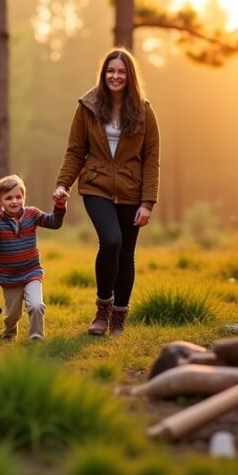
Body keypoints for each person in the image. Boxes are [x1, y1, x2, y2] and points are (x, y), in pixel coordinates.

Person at [53, 48, 160, 337]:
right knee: (111, 241)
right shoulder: (87, 107)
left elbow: (151, 158)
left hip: (131, 189)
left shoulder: (144, 110)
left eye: (121, 72)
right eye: (110, 71)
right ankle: (102, 310)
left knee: (126, 253)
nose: (115, 76)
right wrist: (63, 184)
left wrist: (147, 202)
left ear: (130, 77)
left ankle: (119, 318)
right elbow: (75, 151)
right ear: (103, 74)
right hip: (96, 185)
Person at [0, 174, 67, 341]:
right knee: (13, 315)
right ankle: (9, 333)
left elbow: (54, 223)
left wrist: (60, 206)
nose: (14, 201)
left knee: (36, 305)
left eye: (18, 197)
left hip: (32, 272)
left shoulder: (32, 214)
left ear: (24, 197)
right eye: (8, 198)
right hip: (10, 277)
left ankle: (36, 337)